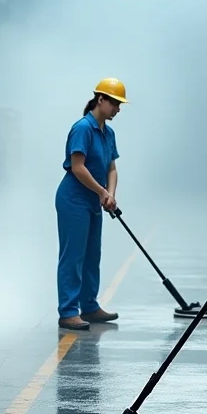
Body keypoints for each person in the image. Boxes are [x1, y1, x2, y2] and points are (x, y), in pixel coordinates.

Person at [56, 79, 127, 331]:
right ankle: (67, 312)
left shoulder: (108, 133)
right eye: (116, 104)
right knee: (73, 255)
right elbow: (78, 167)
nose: (118, 109)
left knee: (92, 255)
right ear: (101, 100)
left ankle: (89, 306)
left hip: (94, 200)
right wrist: (101, 193)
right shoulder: (83, 128)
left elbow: (112, 168)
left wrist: (110, 193)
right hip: (73, 199)